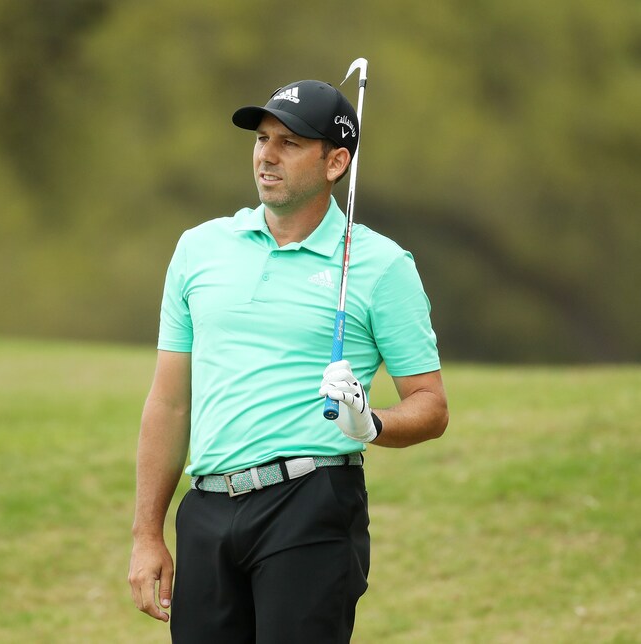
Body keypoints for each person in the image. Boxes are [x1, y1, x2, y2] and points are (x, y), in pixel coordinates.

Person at [127, 79, 449, 643]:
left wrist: (370, 423)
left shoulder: (380, 265)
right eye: (262, 138)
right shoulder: (199, 249)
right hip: (206, 508)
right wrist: (146, 533)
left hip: (311, 504)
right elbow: (170, 402)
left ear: (335, 162)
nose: (267, 154)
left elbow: (431, 406)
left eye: (290, 142)